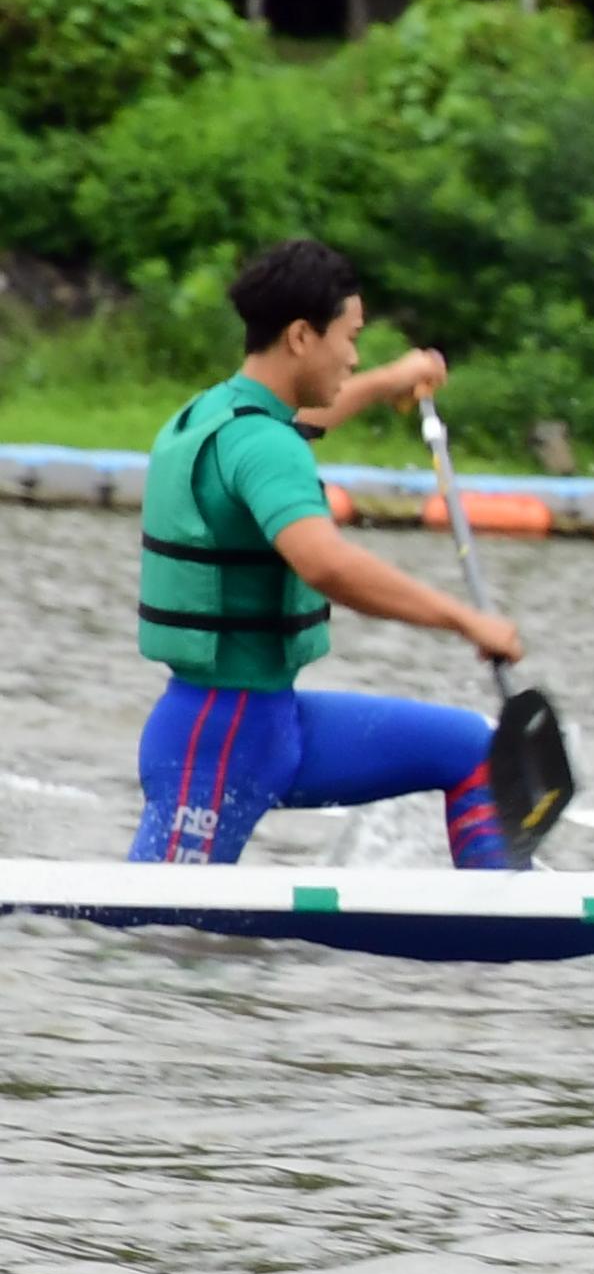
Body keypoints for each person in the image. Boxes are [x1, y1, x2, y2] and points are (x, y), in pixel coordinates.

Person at [131, 238, 526, 868]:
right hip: (217, 741)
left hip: (272, 723)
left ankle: (508, 927)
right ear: (299, 337)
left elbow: (317, 412)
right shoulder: (264, 447)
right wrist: (465, 619)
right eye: (350, 335)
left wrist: (394, 379)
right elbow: (326, 565)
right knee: (161, 942)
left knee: (474, 752)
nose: (354, 354)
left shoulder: (217, 411)